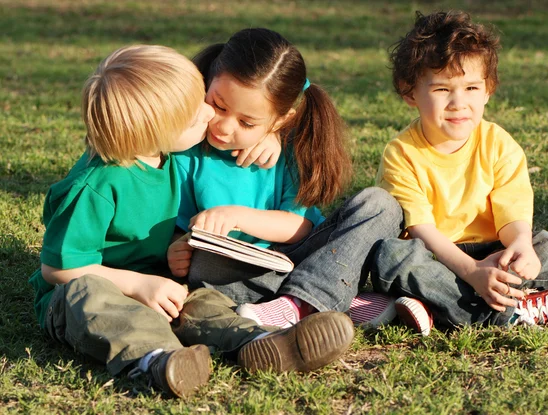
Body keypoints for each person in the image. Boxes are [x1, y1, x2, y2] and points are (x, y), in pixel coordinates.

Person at [29, 45, 355, 400]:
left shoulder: (163, 157)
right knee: (95, 299)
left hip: (158, 284)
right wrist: (138, 285)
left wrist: (270, 133)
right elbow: (57, 270)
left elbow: (254, 74)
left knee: (204, 304)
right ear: (156, 132)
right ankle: (159, 360)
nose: (207, 114)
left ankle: (264, 343)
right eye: (194, 115)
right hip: (86, 293)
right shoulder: (96, 186)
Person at [370, 11, 548, 335]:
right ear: (410, 92)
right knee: (391, 256)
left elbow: (512, 211)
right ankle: (516, 310)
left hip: (493, 252)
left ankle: (440, 307)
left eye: (471, 87)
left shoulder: (498, 143)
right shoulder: (402, 152)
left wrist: (521, 246)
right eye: (443, 89)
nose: (459, 103)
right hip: (435, 256)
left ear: (488, 90)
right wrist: (471, 271)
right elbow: (422, 232)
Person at [167, 28, 402, 329]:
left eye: (247, 123)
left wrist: (236, 216)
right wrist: (177, 247)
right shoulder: (184, 151)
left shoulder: (288, 148)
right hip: (244, 270)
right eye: (218, 105)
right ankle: (333, 296)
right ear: (206, 83)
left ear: (281, 120)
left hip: (305, 253)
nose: (224, 127)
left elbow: (299, 227)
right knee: (203, 267)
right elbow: (178, 226)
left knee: (380, 204)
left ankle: (300, 302)